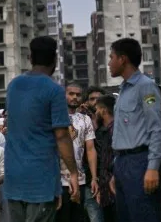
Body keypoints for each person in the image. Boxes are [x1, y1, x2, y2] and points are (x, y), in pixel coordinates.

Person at [4, 36, 77, 222]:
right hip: (40, 179)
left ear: (30, 58)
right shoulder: (54, 90)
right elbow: (62, 136)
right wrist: (73, 172)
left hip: (13, 178)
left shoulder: (13, 86)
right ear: (54, 59)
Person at [107, 38, 161, 222]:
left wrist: (153, 168)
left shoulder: (145, 86)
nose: (109, 63)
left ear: (123, 59)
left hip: (140, 162)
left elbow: (156, 129)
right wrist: (117, 169)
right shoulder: (123, 90)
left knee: (144, 216)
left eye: (111, 57)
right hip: (122, 163)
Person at [58, 84, 99, 222]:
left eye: (78, 94)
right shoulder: (54, 117)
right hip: (58, 180)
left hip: (80, 179)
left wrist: (94, 178)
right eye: (71, 94)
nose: (75, 97)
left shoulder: (85, 119)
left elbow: (90, 149)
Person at [92, 96, 115, 222]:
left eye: (97, 109)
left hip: (114, 189)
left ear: (103, 110)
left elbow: (110, 162)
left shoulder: (114, 131)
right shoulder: (105, 131)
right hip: (107, 191)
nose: (96, 113)